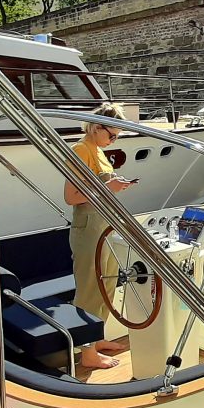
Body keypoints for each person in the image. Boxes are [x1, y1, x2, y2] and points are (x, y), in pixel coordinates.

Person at [64, 102, 136, 369]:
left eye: (117, 137)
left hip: (105, 225)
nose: (113, 140)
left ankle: (95, 339)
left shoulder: (97, 150)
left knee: (107, 284)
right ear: (96, 128)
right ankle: (86, 353)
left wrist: (115, 186)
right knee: (90, 289)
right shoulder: (81, 150)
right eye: (111, 135)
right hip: (90, 228)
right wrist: (110, 187)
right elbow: (71, 197)